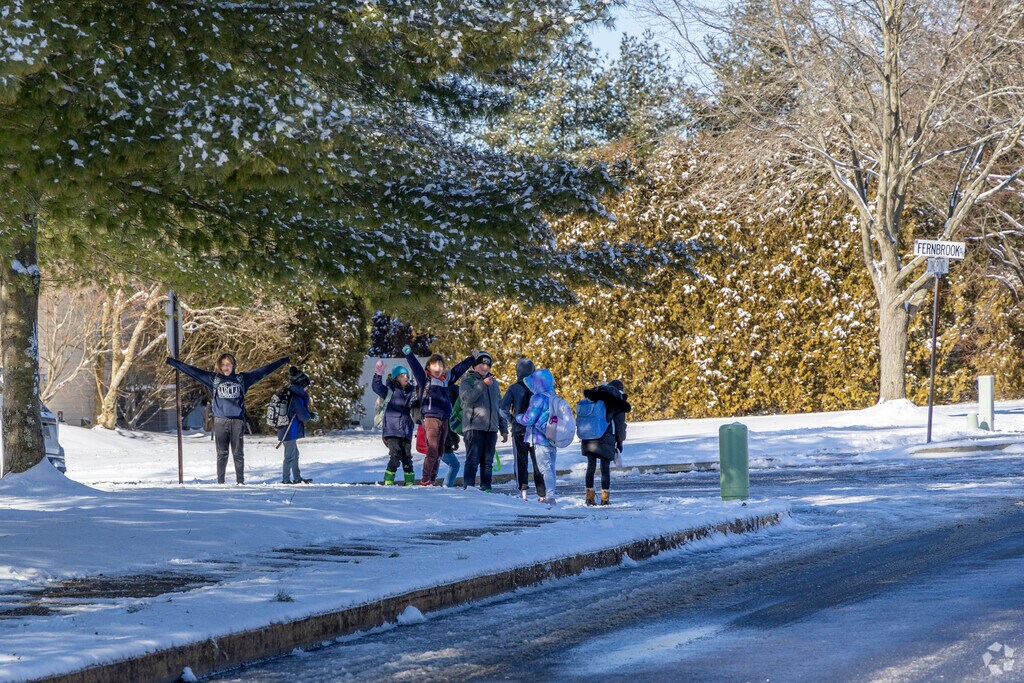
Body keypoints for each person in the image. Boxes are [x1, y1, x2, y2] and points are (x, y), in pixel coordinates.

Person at [167, 352, 289, 484]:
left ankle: (240, 482)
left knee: (238, 454)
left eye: (228, 364)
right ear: (219, 366)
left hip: (237, 422)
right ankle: (221, 483)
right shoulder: (213, 379)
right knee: (222, 454)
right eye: (223, 364)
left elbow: (263, 371)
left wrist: (282, 361)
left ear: (233, 365)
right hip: (220, 422)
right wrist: (173, 362)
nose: (226, 367)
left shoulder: (242, 379)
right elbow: (193, 371)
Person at [403, 345, 475, 486]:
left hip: (444, 418)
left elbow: (458, 369)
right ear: (429, 366)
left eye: (440, 365)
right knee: (433, 450)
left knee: (440, 451)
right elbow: (416, 367)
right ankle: (425, 479)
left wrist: (472, 358)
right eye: (435, 365)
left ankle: (432, 478)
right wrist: (409, 354)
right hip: (431, 418)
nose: (438, 368)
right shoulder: (425, 379)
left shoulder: (445, 380)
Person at [459, 350, 509, 492]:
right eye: (482, 364)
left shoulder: (494, 384)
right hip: (474, 427)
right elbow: (467, 399)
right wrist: (482, 385)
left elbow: (498, 406)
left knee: (487, 462)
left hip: (491, 429)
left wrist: (503, 428)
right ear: (475, 365)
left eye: (488, 365)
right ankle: (469, 488)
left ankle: (486, 488)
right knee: (472, 461)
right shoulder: (467, 380)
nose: (485, 367)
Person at [501, 357, 547, 501]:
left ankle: (523, 492)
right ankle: (542, 494)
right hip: (537, 431)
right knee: (538, 461)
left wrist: (512, 420)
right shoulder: (539, 388)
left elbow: (503, 408)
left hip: (519, 430)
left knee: (520, 461)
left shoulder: (514, 388)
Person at [580, 379, 630, 506]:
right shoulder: (616, 400)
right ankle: (605, 499)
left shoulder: (594, 395)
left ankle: (589, 498)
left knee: (590, 466)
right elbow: (619, 424)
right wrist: (619, 442)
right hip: (605, 437)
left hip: (588, 436)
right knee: (604, 468)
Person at [515, 368, 561, 504]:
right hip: (553, 437)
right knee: (551, 467)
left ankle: (550, 496)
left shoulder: (538, 398)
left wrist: (518, 417)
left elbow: (529, 419)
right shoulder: (553, 396)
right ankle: (551, 494)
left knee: (544, 468)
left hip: (540, 438)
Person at [372, 360, 418, 485]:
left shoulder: (411, 391)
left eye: (407, 375)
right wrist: (378, 374)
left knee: (407, 458)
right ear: (396, 377)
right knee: (395, 456)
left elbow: (421, 394)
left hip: (406, 430)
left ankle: (409, 483)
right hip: (392, 430)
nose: (406, 378)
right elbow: (377, 387)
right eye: (402, 375)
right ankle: (388, 481)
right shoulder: (390, 390)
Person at [279, 366, 317, 484]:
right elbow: (302, 416)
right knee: (289, 456)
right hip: (289, 430)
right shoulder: (296, 398)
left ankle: (297, 477)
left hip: (287, 429)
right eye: (306, 386)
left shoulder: (291, 394)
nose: (307, 389)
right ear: (301, 385)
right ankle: (286, 479)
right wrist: (311, 415)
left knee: (295, 454)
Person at [440, 382, 462, 487]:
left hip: (438, 439)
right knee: (454, 465)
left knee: (434, 461)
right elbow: (449, 426)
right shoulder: (450, 408)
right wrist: (455, 440)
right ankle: (447, 486)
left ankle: (429, 483)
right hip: (443, 441)